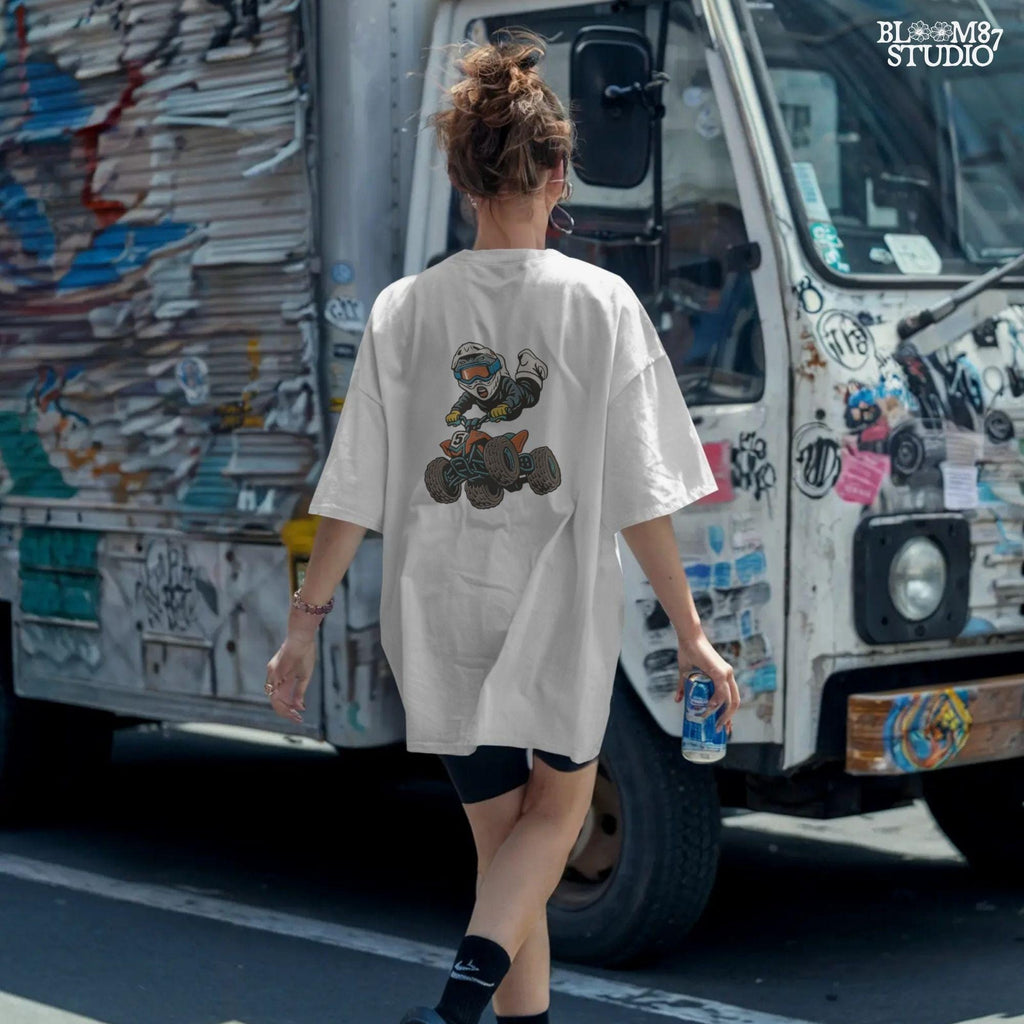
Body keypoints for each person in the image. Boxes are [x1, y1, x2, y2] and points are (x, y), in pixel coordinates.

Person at [264, 27, 741, 1024]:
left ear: (458, 174)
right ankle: (452, 1012)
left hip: (433, 606)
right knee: (555, 824)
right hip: (551, 606)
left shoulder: (404, 309)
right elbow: (637, 493)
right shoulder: (601, 305)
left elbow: (351, 486)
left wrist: (304, 625)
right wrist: (689, 631)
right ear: (561, 173)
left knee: (504, 853)